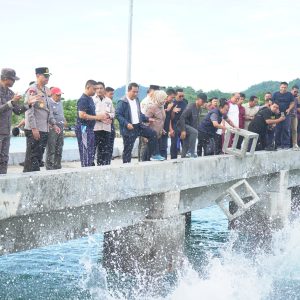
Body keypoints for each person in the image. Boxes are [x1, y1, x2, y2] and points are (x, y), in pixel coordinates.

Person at [116, 82, 165, 163]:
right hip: (129, 128)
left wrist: (147, 119)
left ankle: (154, 154)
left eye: (137, 92)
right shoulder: (122, 101)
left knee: (152, 134)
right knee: (128, 149)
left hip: (138, 126)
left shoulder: (137, 100)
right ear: (128, 91)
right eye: (134, 92)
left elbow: (139, 114)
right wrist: (126, 123)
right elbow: (118, 115)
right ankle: (126, 166)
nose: (135, 94)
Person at [23, 67, 60, 173]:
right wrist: (34, 128)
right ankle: (30, 181)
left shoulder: (45, 90)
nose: (47, 78)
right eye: (45, 76)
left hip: (44, 129)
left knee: (37, 158)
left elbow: (48, 110)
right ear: (38, 76)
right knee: (32, 158)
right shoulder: (32, 90)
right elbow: (29, 110)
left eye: (48, 76)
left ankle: (31, 180)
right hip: (35, 129)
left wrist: (54, 124)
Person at [0, 68, 36, 174]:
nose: (14, 82)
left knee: (4, 159)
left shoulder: (11, 93)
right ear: (5, 78)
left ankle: (2, 185)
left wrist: (28, 104)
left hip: (6, 131)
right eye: (13, 79)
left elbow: (17, 111)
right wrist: (12, 102)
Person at [75, 80, 103, 167]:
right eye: (94, 89)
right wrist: (97, 117)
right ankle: (85, 169)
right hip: (83, 128)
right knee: (85, 151)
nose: (95, 91)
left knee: (90, 150)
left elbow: (91, 114)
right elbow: (82, 115)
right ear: (88, 87)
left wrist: (101, 118)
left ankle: (89, 167)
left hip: (90, 128)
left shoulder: (90, 99)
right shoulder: (83, 99)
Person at [178, 93, 207, 158]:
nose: (203, 103)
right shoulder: (190, 107)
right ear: (198, 99)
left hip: (189, 127)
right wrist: (183, 131)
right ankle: (191, 152)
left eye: (204, 102)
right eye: (202, 101)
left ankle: (184, 156)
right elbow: (182, 118)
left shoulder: (199, 108)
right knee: (194, 132)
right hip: (182, 125)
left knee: (186, 143)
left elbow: (195, 121)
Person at [141, 90, 168, 161]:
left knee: (155, 153)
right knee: (148, 153)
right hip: (151, 134)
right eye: (164, 98)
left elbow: (160, 120)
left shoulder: (161, 107)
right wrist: (145, 135)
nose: (165, 100)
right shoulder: (152, 106)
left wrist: (162, 129)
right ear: (160, 98)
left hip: (158, 134)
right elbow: (145, 120)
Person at [93, 82, 115, 165]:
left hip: (106, 128)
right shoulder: (92, 99)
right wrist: (100, 118)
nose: (99, 90)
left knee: (104, 150)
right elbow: (90, 114)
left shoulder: (108, 100)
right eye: (97, 88)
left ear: (104, 89)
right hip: (95, 128)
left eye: (101, 88)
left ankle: (102, 167)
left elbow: (113, 113)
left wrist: (109, 116)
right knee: (93, 150)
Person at [45, 87, 66, 170]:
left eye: (60, 95)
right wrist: (53, 125)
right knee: (51, 148)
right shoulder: (48, 102)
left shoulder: (60, 102)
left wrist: (64, 120)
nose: (59, 96)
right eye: (58, 95)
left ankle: (57, 166)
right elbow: (49, 116)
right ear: (52, 94)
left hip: (60, 127)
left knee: (59, 147)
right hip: (52, 127)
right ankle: (49, 167)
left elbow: (61, 114)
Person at [272, 82, 294, 149]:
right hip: (277, 114)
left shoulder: (289, 94)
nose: (283, 89)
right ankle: (277, 145)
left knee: (286, 129)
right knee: (278, 129)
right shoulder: (275, 94)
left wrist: (289, 109)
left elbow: (292, 103)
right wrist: (276, 109)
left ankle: (286, 145)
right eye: (282, 87)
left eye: (285, 87)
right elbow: (272, 103)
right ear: (280, 87)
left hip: (287, 114)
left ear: (287, 87)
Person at [170, 88, 187, 159]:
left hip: (183, 125)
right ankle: (173, 158)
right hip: (174, 125)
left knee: (184, 142)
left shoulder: (185, 104)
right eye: (180, 96)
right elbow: (170, 118)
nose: (181, 98)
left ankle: (184, 157)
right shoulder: (172, 103)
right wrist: (173, 111)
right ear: (176, 95)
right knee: (174, 144)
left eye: (183, 96)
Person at [160, 88, 176, 159]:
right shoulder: (161, 104)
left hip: (166, 128)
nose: (172, 99)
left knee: (164, 146)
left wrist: (171, 129)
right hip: (160, 128)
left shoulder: (169, 104)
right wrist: (167, 110)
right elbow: (159, 115)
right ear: (167, 96)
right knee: (161, 147)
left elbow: (169, 118)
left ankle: (164, 160)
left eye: (173, 98)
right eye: (172, 97)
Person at [105, 87, 116, 160]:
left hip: (111, 127)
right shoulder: (103, 103)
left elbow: (114, 114)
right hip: (104, 128)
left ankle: (109, 160)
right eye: (110, 94)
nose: (112, 96)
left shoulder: (110, 103)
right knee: (105, 147)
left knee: (110, 146)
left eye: (113, 94)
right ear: (105, 93)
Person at [290, 85, 300, 150]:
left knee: (295, 130)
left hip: (295, 116)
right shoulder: (288, 96)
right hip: (288, 115)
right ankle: (288, 144)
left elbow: (298, 108)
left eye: (297, 92)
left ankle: (295, 144)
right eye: (295, 91)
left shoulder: (297, 98)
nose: (296, 93)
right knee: (288, 130)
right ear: (291, 90)